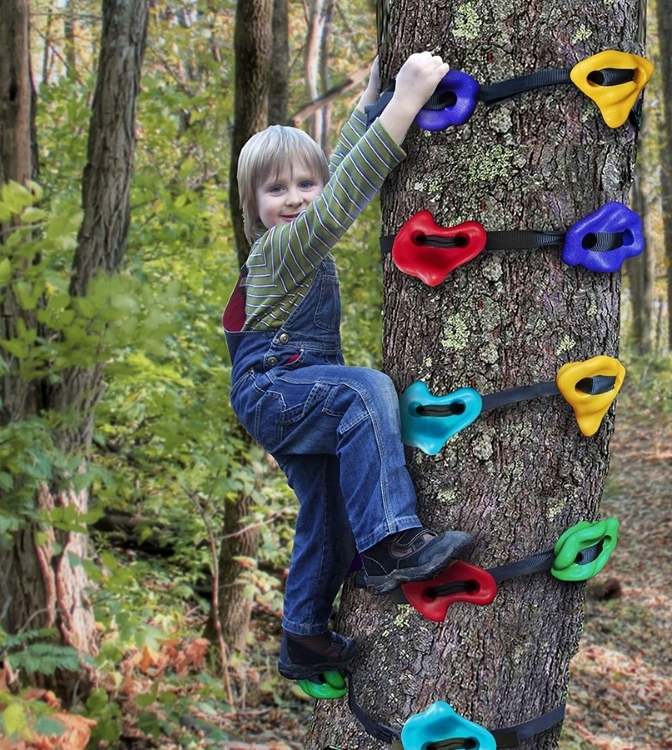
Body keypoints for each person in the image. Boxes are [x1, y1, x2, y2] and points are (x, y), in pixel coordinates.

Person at [223, 52, 473, 683]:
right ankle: (391, 542)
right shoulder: (279, 252)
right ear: (253, 203)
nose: (297, 199)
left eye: (305, 184)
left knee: (327, 510)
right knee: (366, 391)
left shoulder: (298, 235)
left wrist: (370, 102)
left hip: (297, 393)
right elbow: (344, 197)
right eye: (276, 189)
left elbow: (338, 176)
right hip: (275, 389)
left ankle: (303, 636)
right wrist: (406, 103)